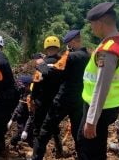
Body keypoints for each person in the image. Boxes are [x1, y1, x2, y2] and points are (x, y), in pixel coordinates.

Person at [31, 30, 90, 160]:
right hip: (80, 99)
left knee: (45, 130)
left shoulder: (70, 57)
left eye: (68, 43)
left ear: (73, 41)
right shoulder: (88, 56)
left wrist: (41, 64)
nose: (67, 46)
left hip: (63, 99)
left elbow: (51, 72)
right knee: (78, 135)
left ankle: (36, 157)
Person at [77, 2, 119, 160]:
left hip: (99, 108)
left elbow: (101, 86)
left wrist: (91, 120)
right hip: (113, 104)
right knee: (96, 144)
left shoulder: (108, 51)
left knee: (88, 149)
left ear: (99, 23)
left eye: (91, 24)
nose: (91, 28)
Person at [31, 36, 64, 158]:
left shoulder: (42, 64)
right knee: (54, 126)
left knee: (38, 129)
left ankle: (36, 155)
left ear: (46, 48)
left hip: (42, 101)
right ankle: (60, 150)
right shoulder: (63, 62)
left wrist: (33, 98)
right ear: (58, 47)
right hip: (56, 100)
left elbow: (36, 83)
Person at [9, 75, 34, 147]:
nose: (20, 86)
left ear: (28, 85)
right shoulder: (23, 93)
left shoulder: (30, 97)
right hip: (21, 118)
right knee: (21, 133)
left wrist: (26, 130)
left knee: (28, 135)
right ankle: (13, 143)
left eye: (22, 85)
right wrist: (12, 119)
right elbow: (18, 107)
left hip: (27, 119)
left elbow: (31, 115)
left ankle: (35, 153)